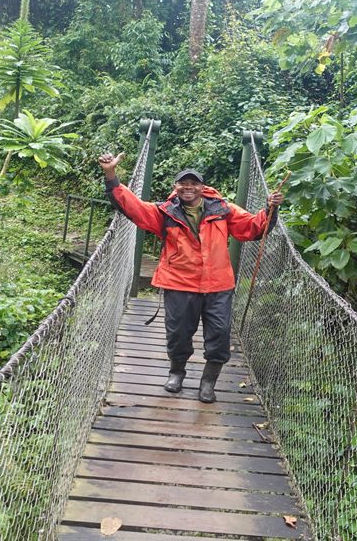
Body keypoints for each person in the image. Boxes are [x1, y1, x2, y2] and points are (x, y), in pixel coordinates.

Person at [98, 152, 284, 403]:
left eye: (194, 183)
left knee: (220, 335)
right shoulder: (165, 213)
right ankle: (177, 372)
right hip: (179, 283)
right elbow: (133, 207)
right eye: (183, 183)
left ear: (202, 187)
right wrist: (111, 174)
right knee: (178, 334)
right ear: (176, 187)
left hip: (218, 285)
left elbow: (252, 227)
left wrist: (270, 209)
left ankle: (208, 382)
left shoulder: (223, 210)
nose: (188, 187)